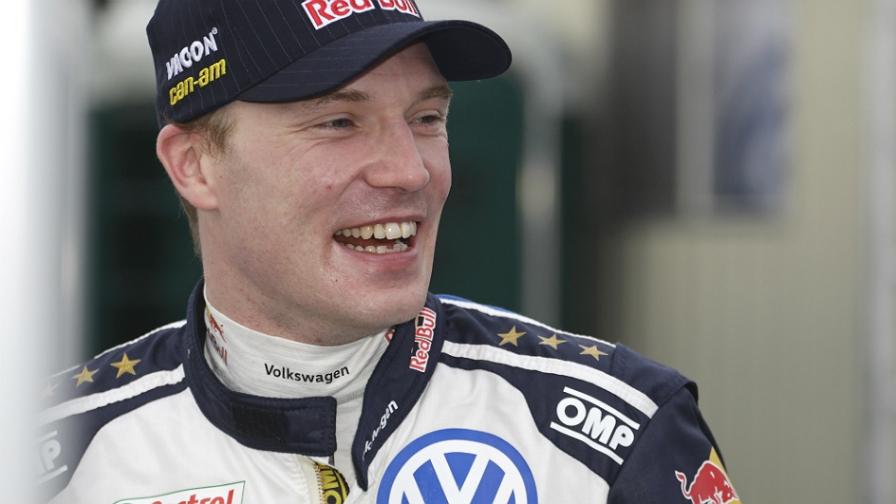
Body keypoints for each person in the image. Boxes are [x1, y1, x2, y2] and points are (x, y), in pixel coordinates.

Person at [39, 0, 741, 502]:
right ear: (195, 166)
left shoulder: (616, 437)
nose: (409, 171)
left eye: (426, 118)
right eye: (339, 122)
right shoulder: (50, 459)